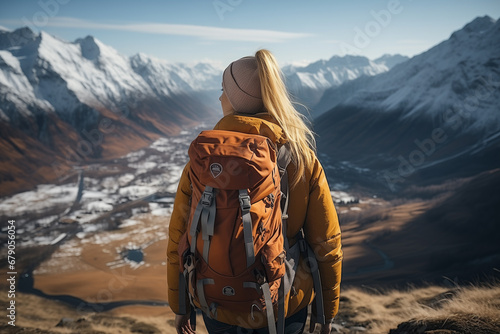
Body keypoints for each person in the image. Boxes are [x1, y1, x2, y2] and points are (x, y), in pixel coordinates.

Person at [167, 49, 342, 334]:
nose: (220, 97)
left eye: (224, 90)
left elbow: (179, 238)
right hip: (283, 300)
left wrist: (181, 306)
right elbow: (326, 242)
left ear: (237, 99)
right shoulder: (300, 157)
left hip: (217, 301)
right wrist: (325, 312)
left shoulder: (203, 161)